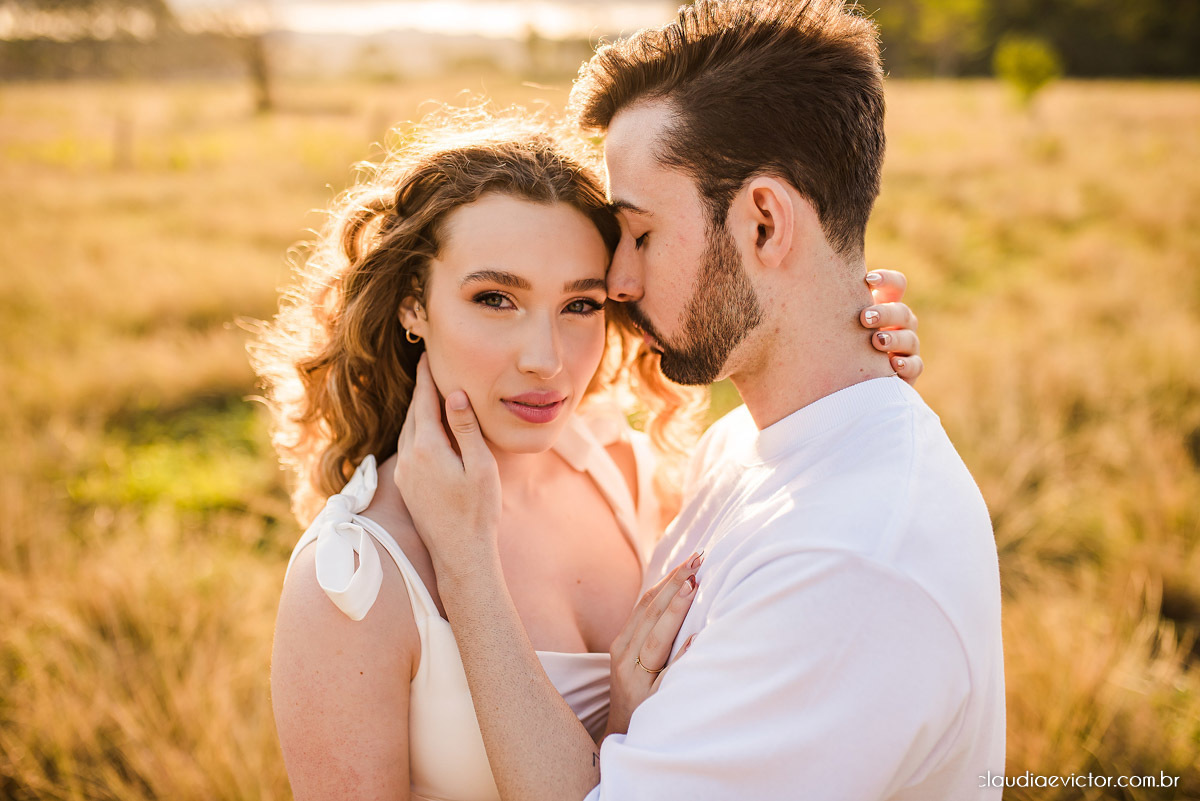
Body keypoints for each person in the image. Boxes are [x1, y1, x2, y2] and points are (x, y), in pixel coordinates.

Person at [392, 1, 1006, 800]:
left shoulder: (846, 567)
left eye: (641, 235)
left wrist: (467, 565)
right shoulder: (746, 446)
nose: (618, 282)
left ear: (762, 224)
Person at [252, 115, 924, 799]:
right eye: (495, 298)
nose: (546, 360)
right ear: (412, 306)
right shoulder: (350, 581)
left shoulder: (621, 466)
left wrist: (851, 365)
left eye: (580, 304)